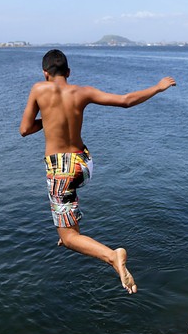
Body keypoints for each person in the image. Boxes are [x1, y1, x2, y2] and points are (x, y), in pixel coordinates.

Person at [20, 49, 176, 294]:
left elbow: (25, 129)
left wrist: (48, 119)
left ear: (45, 73)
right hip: (84, 165)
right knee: (68, 210)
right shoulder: (83, 92)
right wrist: (157, 87)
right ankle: (70, 227)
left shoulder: (39, 89)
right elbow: (125, 100)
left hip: (61, 170)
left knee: (69, 238)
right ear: (68, 72)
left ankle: (112, 256)